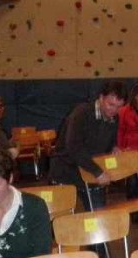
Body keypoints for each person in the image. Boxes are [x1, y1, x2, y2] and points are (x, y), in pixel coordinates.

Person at [48, 81, 127, 210]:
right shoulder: (81, 113)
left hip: (90, 175)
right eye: (110, 104)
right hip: (66, 172)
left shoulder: (115, 119)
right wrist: (98, 172)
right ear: (101, 98)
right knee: (63, 218)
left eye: (119, 107)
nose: (114, 110)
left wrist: (114, 148)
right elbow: (74, 147)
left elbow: (109, 143)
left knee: (99, 216)